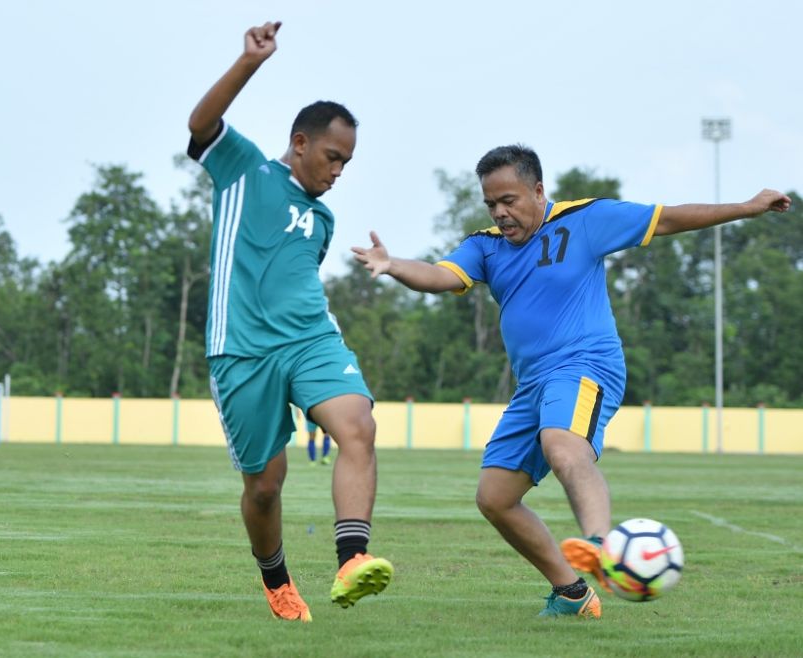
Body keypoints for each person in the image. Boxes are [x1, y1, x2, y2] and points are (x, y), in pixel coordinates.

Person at [353, 144, 791, 618]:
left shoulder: (585, 219)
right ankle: (573, 593)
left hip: (585, 365)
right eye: (491, 204)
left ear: (539, 190)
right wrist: (393, 264)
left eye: (510, 200)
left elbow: (668, 218)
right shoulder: (485, 246)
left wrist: (746, 208)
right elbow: (439, 275)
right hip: (532, 386)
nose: (501, 213)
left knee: (563, 446)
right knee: (495, 498)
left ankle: (603, 546)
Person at [187, 20, 393, 622]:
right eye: (332, 156)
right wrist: (249, 62)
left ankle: (353, 558)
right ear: (300, 142)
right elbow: (200, 126)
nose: (338, 171)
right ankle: (276, 579)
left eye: (347, 162)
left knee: (357, 422)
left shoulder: (322, 219)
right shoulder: (244, 170)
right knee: (266, 483)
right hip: (242, 351)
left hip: (310, 339)